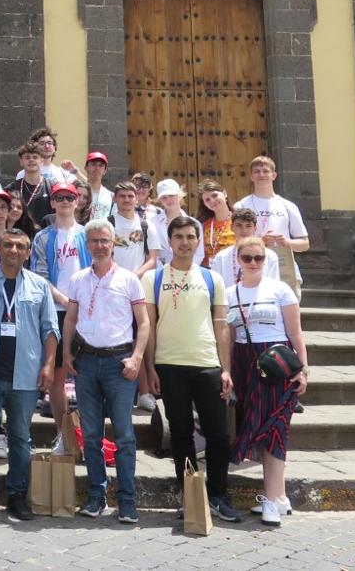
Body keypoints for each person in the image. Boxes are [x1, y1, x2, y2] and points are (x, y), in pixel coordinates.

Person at [143, 215, 240, 522]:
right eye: (179, 237)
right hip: (169, 365)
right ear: (169, 241)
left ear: (198, 241)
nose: (185, 242)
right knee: (181, 434)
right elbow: (149, 327)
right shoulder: (153, 278)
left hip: (207, 364)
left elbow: (221, 326)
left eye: (190, 236)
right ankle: (190, 495)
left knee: (218, 434)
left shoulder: (213, 279)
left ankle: (218, 495)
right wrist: (151, 367)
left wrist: (226, 369)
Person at [0, 228, 58, 521]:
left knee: (20, 437)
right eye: (7, 245)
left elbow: (50, 329)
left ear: (28, 253)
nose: (13, 250)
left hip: (25, 376)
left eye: (20, 246)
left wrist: (48, 366)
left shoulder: (40, 287)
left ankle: (17, 495)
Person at [61, 219, 150, 524]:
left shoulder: (129, 279)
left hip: (119, 363)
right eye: (94, 241)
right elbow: (70, 320)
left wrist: (136, 358)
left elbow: (144, 322)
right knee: (91, 434)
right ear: (87, 245)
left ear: (114, 244)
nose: (100, 245)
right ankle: (96, 496)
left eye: (105, 241)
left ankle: (127, 500)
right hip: (86, 362)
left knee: (124, 434)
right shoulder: (78, 279)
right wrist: (66, 355)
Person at [225, 236, 308, 527]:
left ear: (266, 260)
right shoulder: (228, 293)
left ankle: (271, 500)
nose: (252, 263)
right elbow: (227, 336)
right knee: (258, 425)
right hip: (243, 363)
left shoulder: (280, 289)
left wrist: (303, 369)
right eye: (247, 257)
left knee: (274, 428)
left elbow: (296, 334)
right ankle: (281, 496)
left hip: (275, 362)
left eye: (258, 258)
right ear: (238, 259)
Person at [30, 183, 90, 453]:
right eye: (59, 198)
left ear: (77, 202)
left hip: (88, 310)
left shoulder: (89, 234)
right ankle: (61, 434)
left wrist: (82, 303)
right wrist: (66, 301)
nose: (65, 201)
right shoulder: (42, 238)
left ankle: (86, 434)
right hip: (56, 310)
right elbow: (41, 277)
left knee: (86, 373)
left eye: (69, 197)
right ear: (52, 203)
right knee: (56, 374)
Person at [233, 156, 309, 299]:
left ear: (273, 175)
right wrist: (260, 241)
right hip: (252, 265)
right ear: (251, 176)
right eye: (257, 171)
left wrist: (286, 242)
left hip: (284, 265)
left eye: (265, 171)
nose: (261, 175)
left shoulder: (288, 206)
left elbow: (304, 244)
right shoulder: (241, 206)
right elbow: (235, 241)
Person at [212, 208, 281, 289]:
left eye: (248, 226)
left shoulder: (270, 256)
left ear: (255, 228)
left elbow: (275, 287)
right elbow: (216, 290)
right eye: (239, 225)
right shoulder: (221, 258)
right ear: (232, 227)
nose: (243, 230)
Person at [151, 178, 204, 266]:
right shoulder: (152, 222)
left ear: (179, 196)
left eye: (171, 195)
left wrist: (186, 269)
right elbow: (152, 253)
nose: (168, 200)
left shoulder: (194, 223)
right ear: (160, 200)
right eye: (164, 197)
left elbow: (199, 254)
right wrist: (164, 270)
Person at [7, 142, 52, 231]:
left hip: (44, 238)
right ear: (21, 161)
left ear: (42, 161)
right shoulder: (11, 189)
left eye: (35, 157)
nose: (31, 160)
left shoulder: (52, 187)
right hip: (18, 238)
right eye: (27, 157)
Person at [197, 179, 236, 268]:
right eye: (207, 200)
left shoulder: (239, 220)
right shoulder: (202, 225)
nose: (212, 201)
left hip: (233, 270)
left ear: (225, 193)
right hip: (210, 272)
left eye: (214, 195)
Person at [83, 152, 114, 220]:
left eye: (101, 165)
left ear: (105, 171)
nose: (97, 168)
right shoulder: (79, 193)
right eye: (93, 164)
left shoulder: (111, 196)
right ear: (86, 168)